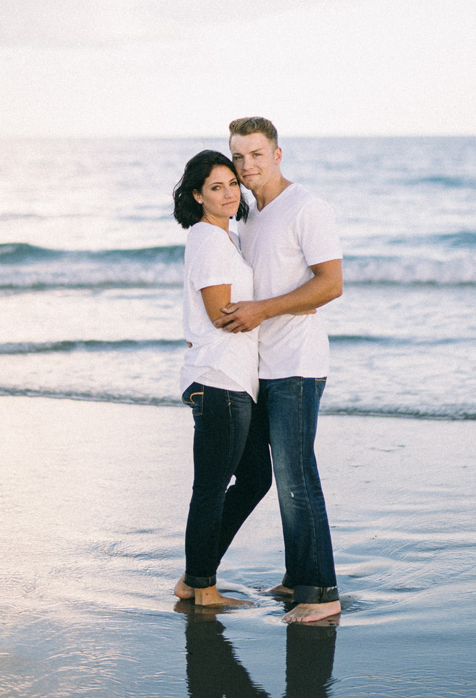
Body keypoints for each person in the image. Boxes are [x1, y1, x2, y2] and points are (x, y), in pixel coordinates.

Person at [216, 117, 343, 624]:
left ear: (278, 154)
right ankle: (297, 578)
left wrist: (266, 309)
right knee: (269, 478)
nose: (247, 166)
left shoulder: (307, 208)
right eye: (239, 157)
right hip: (256, 367)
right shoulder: (248, 215)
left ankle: (323, 593)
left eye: (257, 155)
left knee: (297, 476)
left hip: (297, 364)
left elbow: (330, 284)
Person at [171, 150, 272, 607]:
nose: (229, 192)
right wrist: (273, 309)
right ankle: (202, 587)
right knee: (211, 489)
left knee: (254, 480)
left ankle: (195, 578)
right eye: (216, 187)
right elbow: (219, 315)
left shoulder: (223, 239)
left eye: (232, 183)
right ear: (198, 195)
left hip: (232, 382)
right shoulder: (209, 240)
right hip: (218, 381)